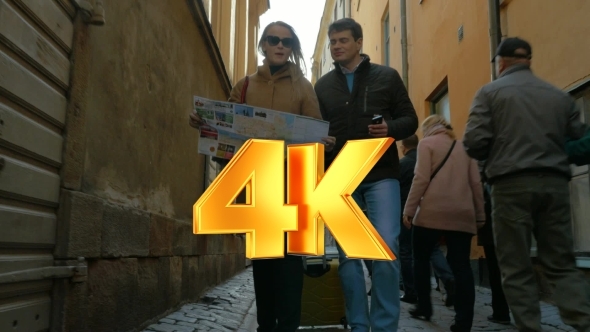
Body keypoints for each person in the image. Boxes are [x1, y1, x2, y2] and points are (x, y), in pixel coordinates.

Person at [189, 21, 336, 332]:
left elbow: (315, 127)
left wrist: (321, 141)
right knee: (264, 263)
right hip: (257, 183)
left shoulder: (303, 87)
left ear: (292, 47)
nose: (279, 45)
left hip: (293, 183)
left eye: (286, 41)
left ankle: (288, 328)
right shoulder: (244, 85)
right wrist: (204, 124)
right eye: (273, 39)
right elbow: (226, 129)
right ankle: (265, 326)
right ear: (264, 46)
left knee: (290, 262)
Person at [463, 37, 590, 332]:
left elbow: (473, 142)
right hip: (556, 184)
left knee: (515, 265)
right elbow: (577, 136)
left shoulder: (489, 93)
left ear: (501, 62)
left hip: (511, 185)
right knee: (561, 262)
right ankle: (583, 322)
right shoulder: (558, 96)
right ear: (529, 60)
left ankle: (531, 328)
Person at [314, 18, 418, 332]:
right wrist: (322, 140)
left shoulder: (387, 77)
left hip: (379, 172)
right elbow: (314, 128)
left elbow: (410, 120)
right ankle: (359, 325)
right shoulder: (322, 87)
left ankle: (384, 326)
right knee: (349, 257)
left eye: (342, 40)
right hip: (340, 175)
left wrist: (390, 129)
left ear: (359, 42)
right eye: (332, 42)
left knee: (385, 247)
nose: (336, 46)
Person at [403, 115, 485, 332]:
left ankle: (424, 307)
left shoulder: (426, 144)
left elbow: (420, 178)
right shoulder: (464, 147)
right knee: (462, 266)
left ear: (428, 129)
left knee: (420, 259)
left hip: (431, 213)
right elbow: (476, 183)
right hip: (462, 214)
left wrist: (409, 210)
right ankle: (463, 322)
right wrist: (480, 215)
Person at [398, 135, 456, 307]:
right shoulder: (428, 160)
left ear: (403, 147)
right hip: (429, 209)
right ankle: (448, 278)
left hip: (406, 212)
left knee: (406, 251)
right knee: (433, 249)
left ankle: (411, 291)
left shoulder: (402, 164)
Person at [476, 162, 511, 325]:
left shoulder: (484, 164)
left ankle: (501, 311)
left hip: (491, 223)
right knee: (510, 267)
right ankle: (506, 310)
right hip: (509, 219)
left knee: (495, 270)